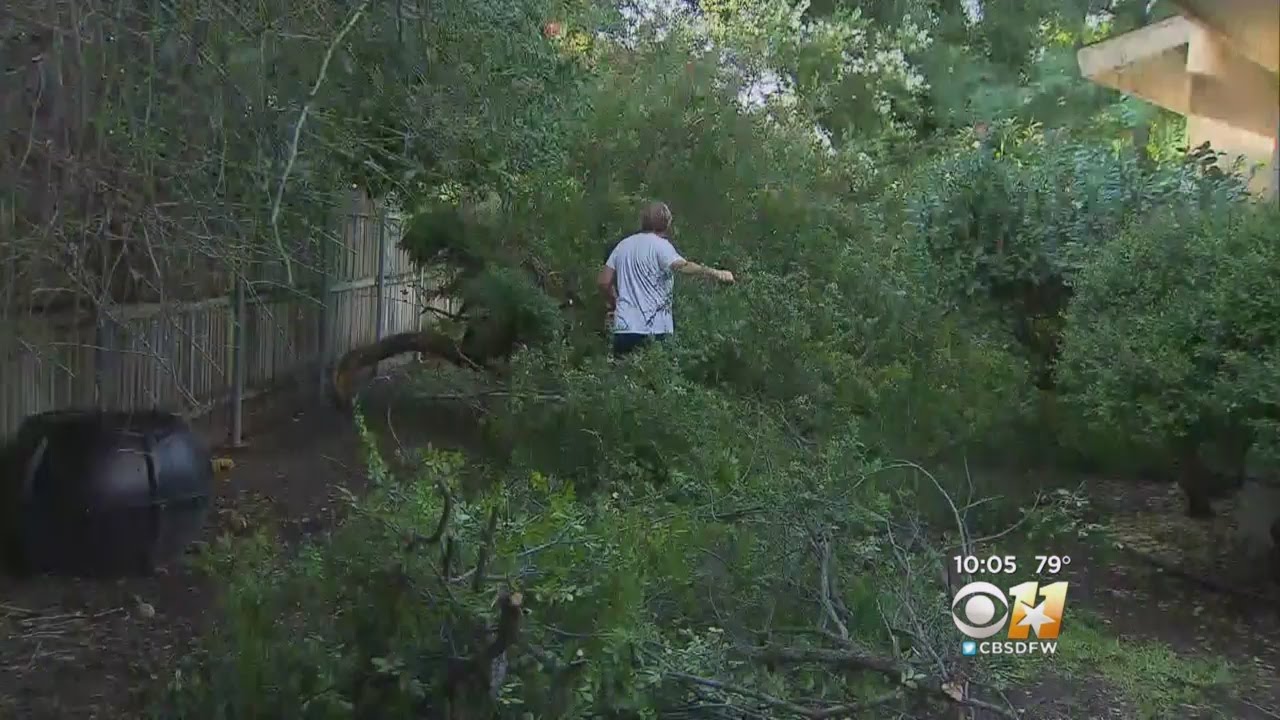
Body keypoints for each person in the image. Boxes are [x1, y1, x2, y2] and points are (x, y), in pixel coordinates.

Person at [597, 201, 735, 356]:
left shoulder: (622, 245)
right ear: (667, 223)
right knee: (655, 377)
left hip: (624, 329)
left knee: (623, 376)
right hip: (655, 329)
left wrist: (615, 303)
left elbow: (603, 281)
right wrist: (716, 273)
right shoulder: (661, 246)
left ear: (643, 221)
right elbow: (683, 266)